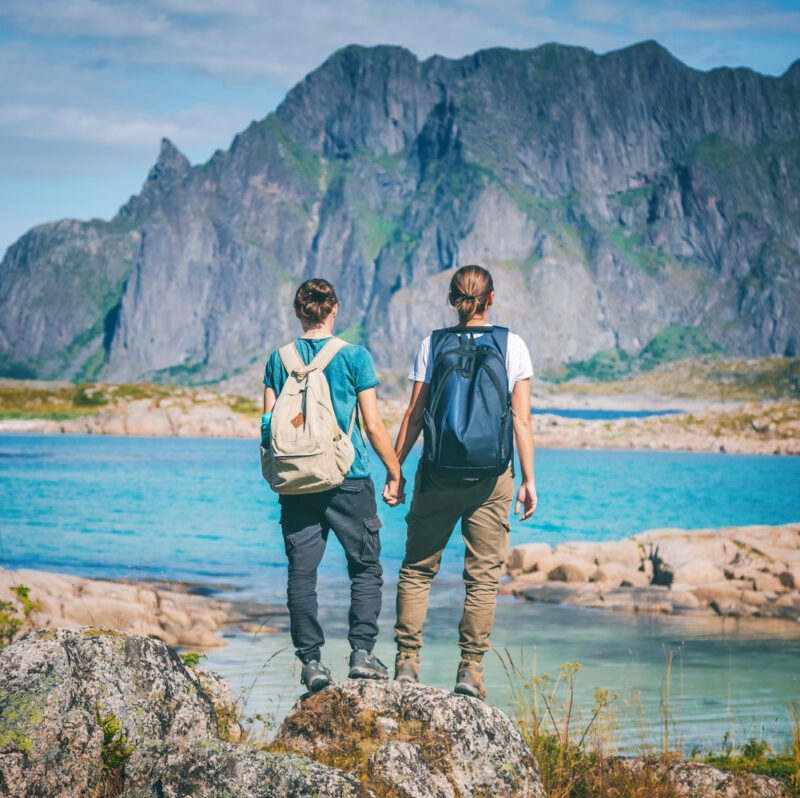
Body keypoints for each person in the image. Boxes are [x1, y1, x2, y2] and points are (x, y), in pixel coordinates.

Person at [387, 264, 537, 700]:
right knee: (483, 580)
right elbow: (522, 422)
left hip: (436, 474)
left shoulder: (432, 343)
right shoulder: (513, 345)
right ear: (491, 299)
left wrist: (395, 471)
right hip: (492, 479)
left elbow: (414, 414)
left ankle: (407, 663)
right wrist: (528, 480)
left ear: (454, 299)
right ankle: (469, 671)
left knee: (416, 571)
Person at [263, 278, 404, 694]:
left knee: (301, 574)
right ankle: (361, 654)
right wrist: (395, 472)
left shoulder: (278, 359)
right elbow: (373, 426)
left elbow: (271, 425)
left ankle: (311, 663)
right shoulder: (355, 357)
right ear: (335, 309)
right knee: (365, 567)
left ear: (297, 311)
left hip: (296, 484)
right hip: (349, 477)